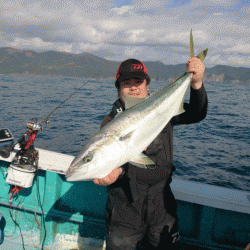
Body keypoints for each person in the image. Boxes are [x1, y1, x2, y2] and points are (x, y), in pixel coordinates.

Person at [93, 58, 208, 250]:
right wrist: (114, 172)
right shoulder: (111, 122)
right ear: (118, 89)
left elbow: (197, 113)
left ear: (147, 84)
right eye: (126, 83)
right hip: (124, 208)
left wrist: (196, 83)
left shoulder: (164, 109)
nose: (133, 88)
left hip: (162, 204)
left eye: (138, 82)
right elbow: (110, 157)